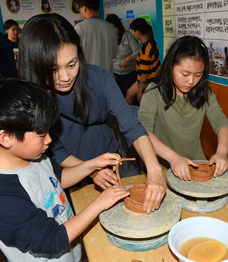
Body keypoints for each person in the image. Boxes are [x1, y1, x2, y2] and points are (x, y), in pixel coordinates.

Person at [18, 13, 165, 213]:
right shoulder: (31, 96)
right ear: (35, 65)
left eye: (72, 64)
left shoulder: (99, 79)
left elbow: (131, 125)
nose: (65, 77)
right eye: (53, 69)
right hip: (64, 171)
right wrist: (89, 169)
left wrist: (154, 169)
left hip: (105, 158)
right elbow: (56, 150)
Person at [0, 77, 129, 261]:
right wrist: (101, 203)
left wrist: (91, 165)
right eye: (41, 134)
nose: (49, 140)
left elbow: (57, 178)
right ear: (6, 138)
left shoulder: (31, 156)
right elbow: (53, 239)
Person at [137, 36, 228, 181]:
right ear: (170, 66)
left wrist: (222, 152)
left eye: (198, 75)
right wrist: (173, 158)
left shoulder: (204, 93)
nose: (191, 81)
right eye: (185, 74)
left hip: (196, 165)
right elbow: (143, 132)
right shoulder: (154, 92)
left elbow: (221, 122)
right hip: (162, 168)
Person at [74, 0, 117, 76]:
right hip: (107, 79)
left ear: (84, 8)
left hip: (88, 80)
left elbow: (75, 56)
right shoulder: (111, 27)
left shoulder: (79, 28)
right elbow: (114, 54)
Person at [125, 18, 161, 104]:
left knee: (130, 95)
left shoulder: (145, 49)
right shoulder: (152, 43)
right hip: (154, 80)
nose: (132, 34)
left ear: (138, 32)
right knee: (129, 93)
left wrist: (140, 91)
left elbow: (144, 74)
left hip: (147, 83)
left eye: (133, 31)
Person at [105, 14, 140, 97]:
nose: (113, 30)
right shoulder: (108, 38)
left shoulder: (128, 35)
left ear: (119, 25)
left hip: (130, 73)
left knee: (131, 98)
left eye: (115, 26)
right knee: (119, 98)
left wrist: (129, 59)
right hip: (116, 74)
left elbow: (138, 50)